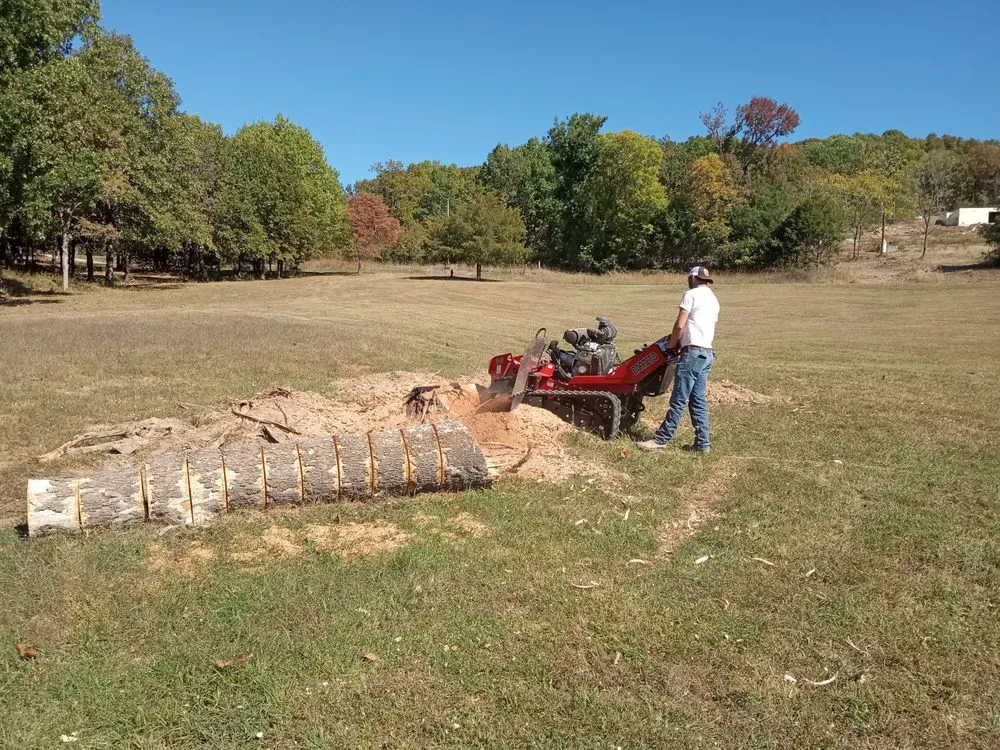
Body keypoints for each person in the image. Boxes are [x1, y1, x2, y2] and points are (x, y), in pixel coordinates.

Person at [636, 265, 720, 454]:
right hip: (706, 354)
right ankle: (703, 444)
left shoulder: (691, 295)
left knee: (678, 399)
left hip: (692, 354)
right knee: (697, 400)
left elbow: (680, 325)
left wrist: (671, 345)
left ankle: (660, 440)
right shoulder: (713, 299)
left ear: (692, 278)